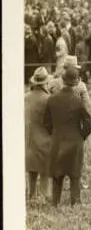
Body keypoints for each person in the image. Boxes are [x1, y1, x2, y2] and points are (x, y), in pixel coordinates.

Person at [44, 66, 91, 207]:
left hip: (57, 140)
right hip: (75, 141)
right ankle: (75, 202)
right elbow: (89, 124)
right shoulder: (78, 101)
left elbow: (46, 122)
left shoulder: (52, 99)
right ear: (77, 82)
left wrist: (54, 134)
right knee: (75, 174)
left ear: (63, 80)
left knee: (57, 174)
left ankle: (55, 202)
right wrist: (81, 136)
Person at [26, 67, 53, 202]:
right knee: (44, 168)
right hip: (44, 137)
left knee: (31, 167)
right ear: (45, 83)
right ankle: (44, 194)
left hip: (28, 136)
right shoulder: (48, 99)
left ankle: (31, 193)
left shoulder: (26, 97)